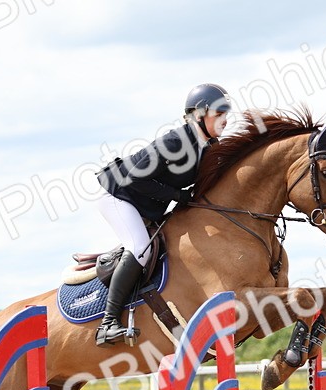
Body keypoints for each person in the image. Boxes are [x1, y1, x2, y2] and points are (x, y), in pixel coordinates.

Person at [92, 83, 233, 345]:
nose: (227, 118)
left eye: (228, 111)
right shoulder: (175, 141)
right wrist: (178, 196)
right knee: (140, 248)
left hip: (143, 203)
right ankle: (107, 324)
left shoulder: (209, 146)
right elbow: (135, 177)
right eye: (220, 112)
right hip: (118, 194)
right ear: (200, 115)